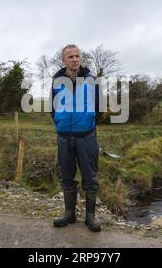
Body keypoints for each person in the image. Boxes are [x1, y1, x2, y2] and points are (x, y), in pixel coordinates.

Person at [50, 44, 102, 232]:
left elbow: (99, 107)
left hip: (86, 136)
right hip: (64, 137)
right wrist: (59, 122)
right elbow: (52, 107)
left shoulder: (91, 79)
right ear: (63, 60)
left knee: (90, 177)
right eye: (70, 56)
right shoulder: (57, 81)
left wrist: (88, 122)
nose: (75, 59)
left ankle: (90, 217)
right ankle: (69, 213)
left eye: (77, 56)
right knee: (67, 177)